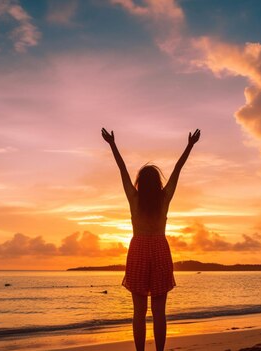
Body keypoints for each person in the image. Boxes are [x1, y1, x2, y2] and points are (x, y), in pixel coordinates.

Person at [101, 127, 201, 351]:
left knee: (139, 312)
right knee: (159, 311)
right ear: (157, 183)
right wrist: (189, 146)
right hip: (159, 249)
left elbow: (122, 170)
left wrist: (112, 145)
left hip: (138, 250)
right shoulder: (164, 198)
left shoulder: (134, 199)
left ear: (140, 183)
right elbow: (177, 170)